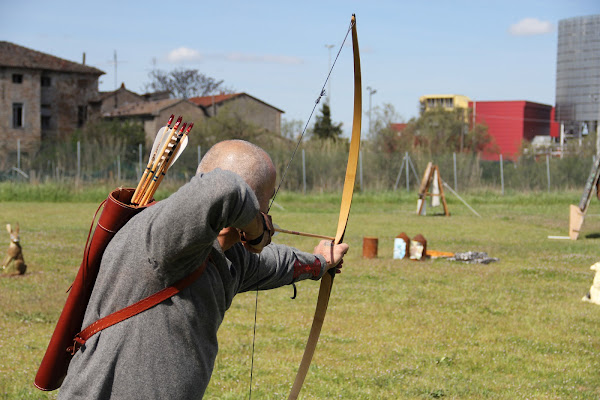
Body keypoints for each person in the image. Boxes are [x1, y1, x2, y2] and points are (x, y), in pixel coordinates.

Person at [57, 139, 349, 399]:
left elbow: (279, 263)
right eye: (268, 197)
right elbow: (223, 187)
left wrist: (322, 261)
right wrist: (257, 230)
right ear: (255, 204)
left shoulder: (234, 257)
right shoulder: (161, 235)